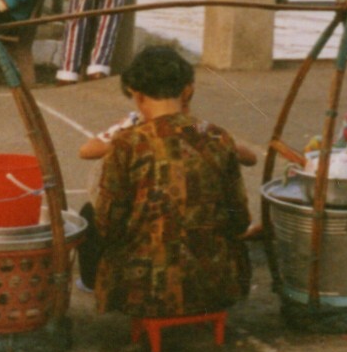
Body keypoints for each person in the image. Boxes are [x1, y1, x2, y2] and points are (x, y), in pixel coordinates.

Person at [89, 45, 252, 318]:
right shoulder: (213, 134)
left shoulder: (127, 142)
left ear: (137, 94)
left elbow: (108, 224)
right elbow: (240, 219)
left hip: (144, 291)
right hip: (217, 284)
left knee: (90, 220)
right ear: (187, 89)